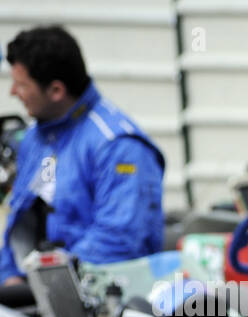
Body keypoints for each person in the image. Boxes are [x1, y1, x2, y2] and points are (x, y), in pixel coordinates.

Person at [0, 25, 165, 287]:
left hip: (100, 302)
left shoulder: (119, 146)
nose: (12, 93)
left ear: (56, 91)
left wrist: (46, 284)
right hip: (32, 298)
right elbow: (17, 223)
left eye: (21, 85)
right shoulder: (35, 138)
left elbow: (120, 240)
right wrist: (8, 278)